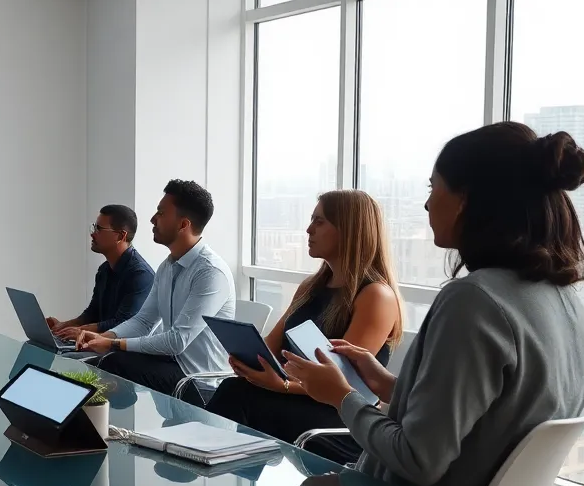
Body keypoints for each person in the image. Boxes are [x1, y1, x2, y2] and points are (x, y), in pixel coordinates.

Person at [283, 123, 584, 486]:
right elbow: (486, 418)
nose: (428, 205)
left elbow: (418, 460)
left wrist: (342, 397)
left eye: (433, 188)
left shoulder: (474, 302)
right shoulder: (565, 300)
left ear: (465, 199)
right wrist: (384, 383)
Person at [205, 190, 403, 464]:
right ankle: (221, 473)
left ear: (349, 230)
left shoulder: (376, 296)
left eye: (319, 222)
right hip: (297, 399)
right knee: (235, 389)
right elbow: (270, 347)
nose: (308, 229)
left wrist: (282, 385)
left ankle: (210, 471)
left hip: (337, 414)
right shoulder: (309, 288)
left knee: (237, 397)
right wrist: (249, 361)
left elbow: (341, 382)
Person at [75, 180, 235, 399]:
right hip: (172, 365)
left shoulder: (210, 272)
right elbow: (144, 321)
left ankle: (108, 431)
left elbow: (178, 341)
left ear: (183, 225)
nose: (152, 219)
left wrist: (113, 343)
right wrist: (103, 337)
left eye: (160, 213)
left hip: (199, 379)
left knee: (114, 363)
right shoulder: (168, 266)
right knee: (103, 360)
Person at [45, 205, 154, 341]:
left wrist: (80, 332)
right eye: (94, 227)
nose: (92, 233)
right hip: (98, 345)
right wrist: (62, 326)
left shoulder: (141, 275)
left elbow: (123, 325)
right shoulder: (104, 270)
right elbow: (92, 314)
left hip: (119, 353)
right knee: (35, 345)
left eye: (99, 229)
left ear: (121, 235)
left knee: (60, 358)